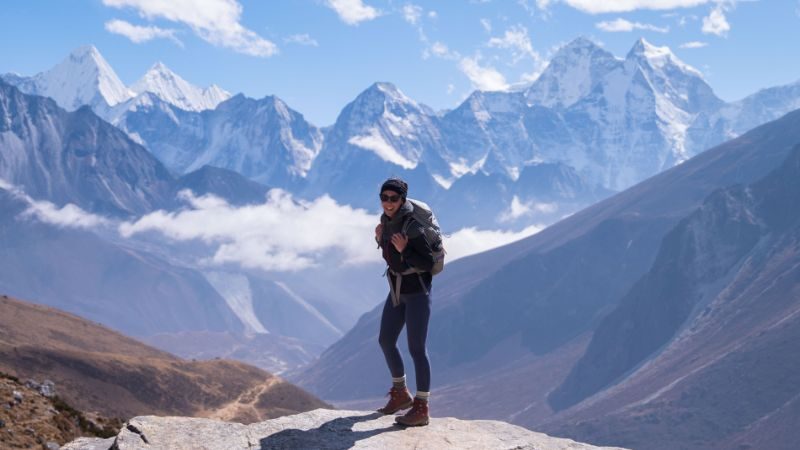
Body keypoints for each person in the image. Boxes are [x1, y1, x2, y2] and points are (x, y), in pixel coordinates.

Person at [374, 177, 434, 427]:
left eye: (393, 198)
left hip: (418, 293)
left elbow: (429, 264)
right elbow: (393, 259)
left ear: (402, 199)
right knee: (386, 340)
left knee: (417, 348)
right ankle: (400, 394)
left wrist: (405, 250)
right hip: (397, 290)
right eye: (384, 198)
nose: (388, 203)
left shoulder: (413, 227)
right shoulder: (387, 222)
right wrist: (380, 240)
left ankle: (421, 407)